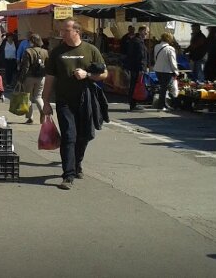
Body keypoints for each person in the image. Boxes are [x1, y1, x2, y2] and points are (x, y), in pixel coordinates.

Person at [42, 19, 108, 190]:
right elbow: (49, 79)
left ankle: (77, 163)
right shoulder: (57, 52)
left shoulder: (91, 50)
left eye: (66, 30)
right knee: (69, 136)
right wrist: (46, 102)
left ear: (77, 31)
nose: (62, 33)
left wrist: (87, 74)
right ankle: (68, 175)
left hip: (86, 100)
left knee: (84, 135)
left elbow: (104, 74)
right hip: (64, 102)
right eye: (62, 30)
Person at [18, 33, 49, 124]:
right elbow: (48, 65)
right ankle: (43, 112)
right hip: (41, 77)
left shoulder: (28, 51)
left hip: (29, 77)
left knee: (28, 97)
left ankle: (30, 117)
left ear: (32, 41)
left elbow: (25, 67)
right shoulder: (45, 52)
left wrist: (20, 79)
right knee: (38, 96)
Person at [124, 26, 149, 111]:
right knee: (136, 85)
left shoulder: (135, 40)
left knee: (134, 85)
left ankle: (133, 103)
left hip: (133, 66)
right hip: (137, 67)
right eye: (146, 31)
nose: (147, 33)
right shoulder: (138, 42)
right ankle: (133, 103)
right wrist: (142, 69)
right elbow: (141, 56)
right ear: (142, 31)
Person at [152, 32, 179, 111]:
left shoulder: (156, 46)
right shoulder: (170, 49)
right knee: (165, 88)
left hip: (158, 69)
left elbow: (155, 58)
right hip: (167, 71)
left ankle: (162, 104)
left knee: (163, 87)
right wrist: (176, 71)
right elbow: (173, 62)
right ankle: (163, 105)